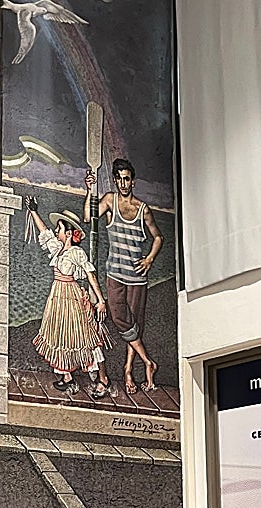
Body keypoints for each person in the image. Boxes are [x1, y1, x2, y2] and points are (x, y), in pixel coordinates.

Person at [83, 158, 163, 394]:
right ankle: (148, 362)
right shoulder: (110, 201)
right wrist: (90, 191)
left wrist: (149, 259)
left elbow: (158, 237)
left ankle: (128, 370)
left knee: (134, 325)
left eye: (127, 179)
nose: (123, 183)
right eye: (119, 179)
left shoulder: (142, 209)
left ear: (133, 181)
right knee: (120, 319)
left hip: (137, 278)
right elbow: (89, 217)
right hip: (115, 274)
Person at [26, 200, 112, 398]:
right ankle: (67, 378)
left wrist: (100, 300)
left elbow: (91, 276)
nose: (57, 231)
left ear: (69, 233)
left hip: (72, 298)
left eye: (60, 228)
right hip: (57, 297)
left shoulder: (76, 252)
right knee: (58, 335)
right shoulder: (58, 249)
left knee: (83, 338)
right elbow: (44, 233)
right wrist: (33, 211)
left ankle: (103, 379)